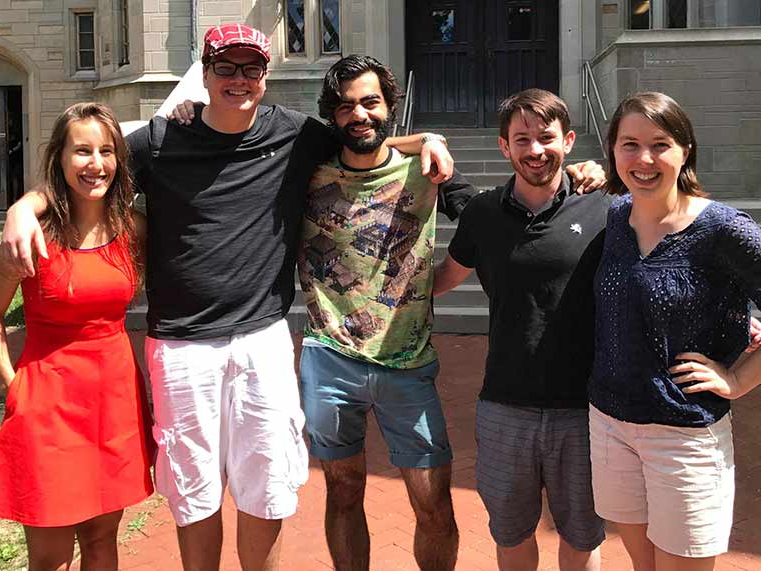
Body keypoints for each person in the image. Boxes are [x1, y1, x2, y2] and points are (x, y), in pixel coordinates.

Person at [0, 24, 456, 571]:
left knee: (266, 487)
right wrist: (24, 207)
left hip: (261, 339)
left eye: (251, 69)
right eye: (226, 68)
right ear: (206, 71)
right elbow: (90, 165)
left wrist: (428, 140)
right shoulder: (163, 138)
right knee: (194, 494)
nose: (239, 80)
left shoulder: (295, 134)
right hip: (181, 347)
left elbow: (368, 139)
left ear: (264, 76)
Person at [298, 55, 476, 571]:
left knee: (434, 505)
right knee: (343, 490)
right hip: (328, 359)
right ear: (332, 115)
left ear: (390, 106)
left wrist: (440, 280)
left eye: (371, 102)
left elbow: (492, 222)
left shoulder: (428, 174)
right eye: (346, 105)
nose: (360, 115)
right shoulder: (308, 173)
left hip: (408, 363)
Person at [433, 88, 609, 571]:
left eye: (547, 137)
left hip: (585, 408)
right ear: (503, 147)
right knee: (511, 534)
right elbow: (446, 276)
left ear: (569, 141)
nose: (536, 150)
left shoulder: (604, 209)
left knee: (582, 534)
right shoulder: (483, 214)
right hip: (506, 405)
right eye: (522, 139)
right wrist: (377, 293)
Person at [588, 92, 761, 571]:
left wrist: (739, 379)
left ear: (686, 150)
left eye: (659, 144)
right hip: (609, 422)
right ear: (613, 152)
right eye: (629, 144)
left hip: (682, 432)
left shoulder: (722, 229)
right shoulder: (615, 217)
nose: (644, 159)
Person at [0, 102, 153, 570]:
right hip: (47, 402)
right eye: (81, 151)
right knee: (50, 553)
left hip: (113, 399)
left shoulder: (134, 230)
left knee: (103, 539)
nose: (95, 164)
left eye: (107, 151)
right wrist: (12, 384)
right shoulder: (29, 236)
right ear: (59, 159)